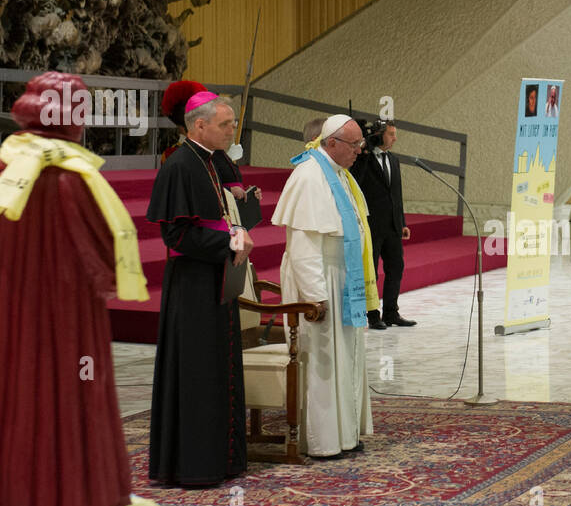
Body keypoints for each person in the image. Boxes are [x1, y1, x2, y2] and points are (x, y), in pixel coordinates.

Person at [0, 72, 147, 506]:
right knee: (66, 398)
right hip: (66, 324)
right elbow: (108, 262)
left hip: (1, 319)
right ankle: (72, 497)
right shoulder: (79, 179)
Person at [147, 91, 253, 485]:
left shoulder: (209, 162)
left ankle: (222, 458)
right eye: (225, 124)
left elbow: (219, 218)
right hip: (191, 287)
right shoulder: (180, 166)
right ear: (199, 125)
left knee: (218, 369)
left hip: (214, 280)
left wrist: (236, 234)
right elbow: (175, 235)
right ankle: (194, 465)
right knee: (196, 373)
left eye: (232, 123)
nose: (231, 130)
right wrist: (227, 243)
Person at [273, 114, 379, 457]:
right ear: (331, 143)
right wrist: (315, 297)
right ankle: (324, 441)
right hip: (320, 281)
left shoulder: (339, 174)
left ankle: (346, 433)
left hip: (341, 277)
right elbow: (304, 247)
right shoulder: (308, 176)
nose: (359, 151)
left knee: (345, 358)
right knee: (322, 362)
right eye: (354, 144)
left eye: (361, 144)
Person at [351, 119, 416, 329]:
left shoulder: (394, 160)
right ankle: (372, 315)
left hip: (393, 225)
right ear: (379, 135)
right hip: (372, 224)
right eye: (391, 134)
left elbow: (396, 194)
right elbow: (356, 182)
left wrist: (402, 221)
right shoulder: (363, 159)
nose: (395, 138)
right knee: (371, 271)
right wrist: (365, 153)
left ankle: (391, 312)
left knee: (396, 267)